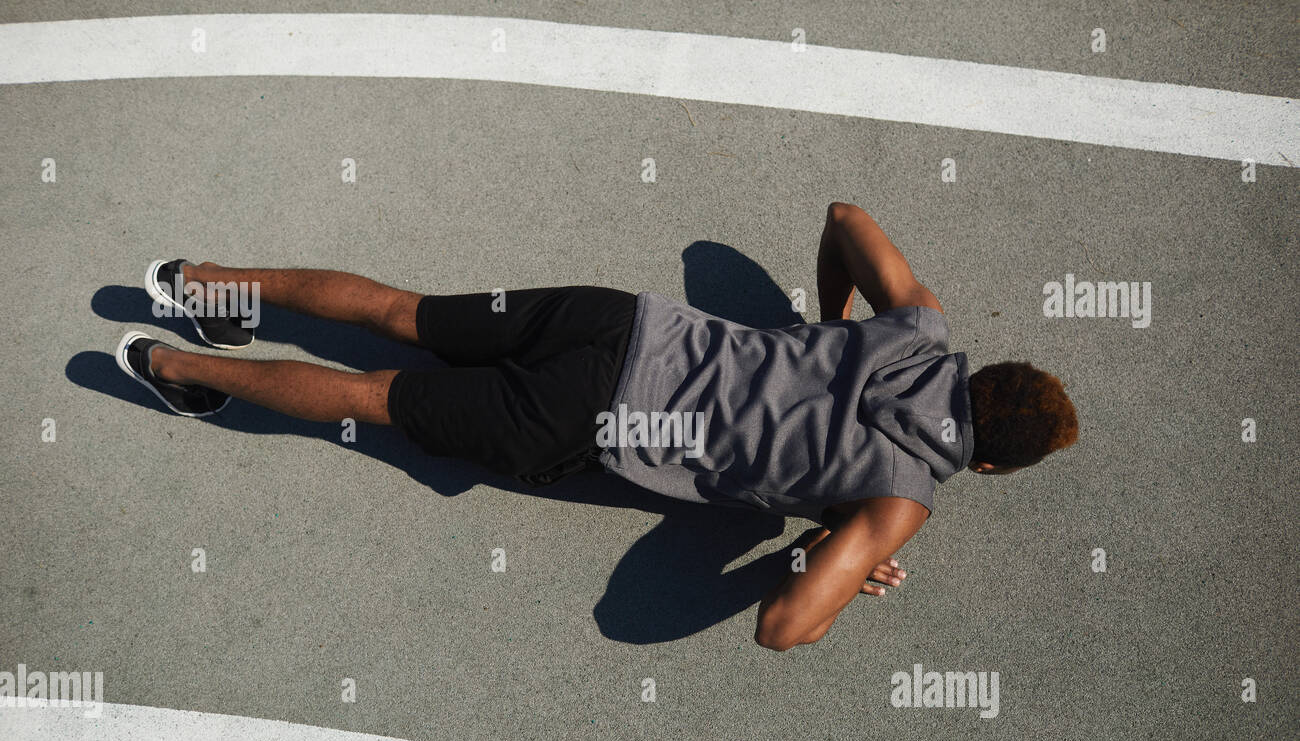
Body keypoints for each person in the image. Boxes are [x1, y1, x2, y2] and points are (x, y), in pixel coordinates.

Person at [115, 202, 1077, 651]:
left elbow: (843, 216)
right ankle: (173, 368)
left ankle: (194, 283)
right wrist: (837, 548)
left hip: (616, 319)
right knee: (374, 399)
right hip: (586, 420)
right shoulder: (900, 502)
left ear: (980, 371)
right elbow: (786, 628)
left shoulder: (918, 325)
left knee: (400, 314)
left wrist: (830, 325)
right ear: (985, 468)